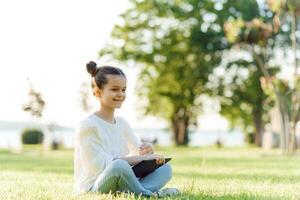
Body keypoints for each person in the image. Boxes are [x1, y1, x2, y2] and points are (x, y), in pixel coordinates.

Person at [74, 61, 179, 197]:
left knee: (165, 169)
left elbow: (137, 151)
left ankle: (131, 192)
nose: (121, 94)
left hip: (119, 182)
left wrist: (146, 151)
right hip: (93, 187)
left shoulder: (122, 123)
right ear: (98, 92)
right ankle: (150, 195)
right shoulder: (88, 125)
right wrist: (145, 158)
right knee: (119, 166)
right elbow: (100, 165)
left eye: (123, 90)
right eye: (114, 89)